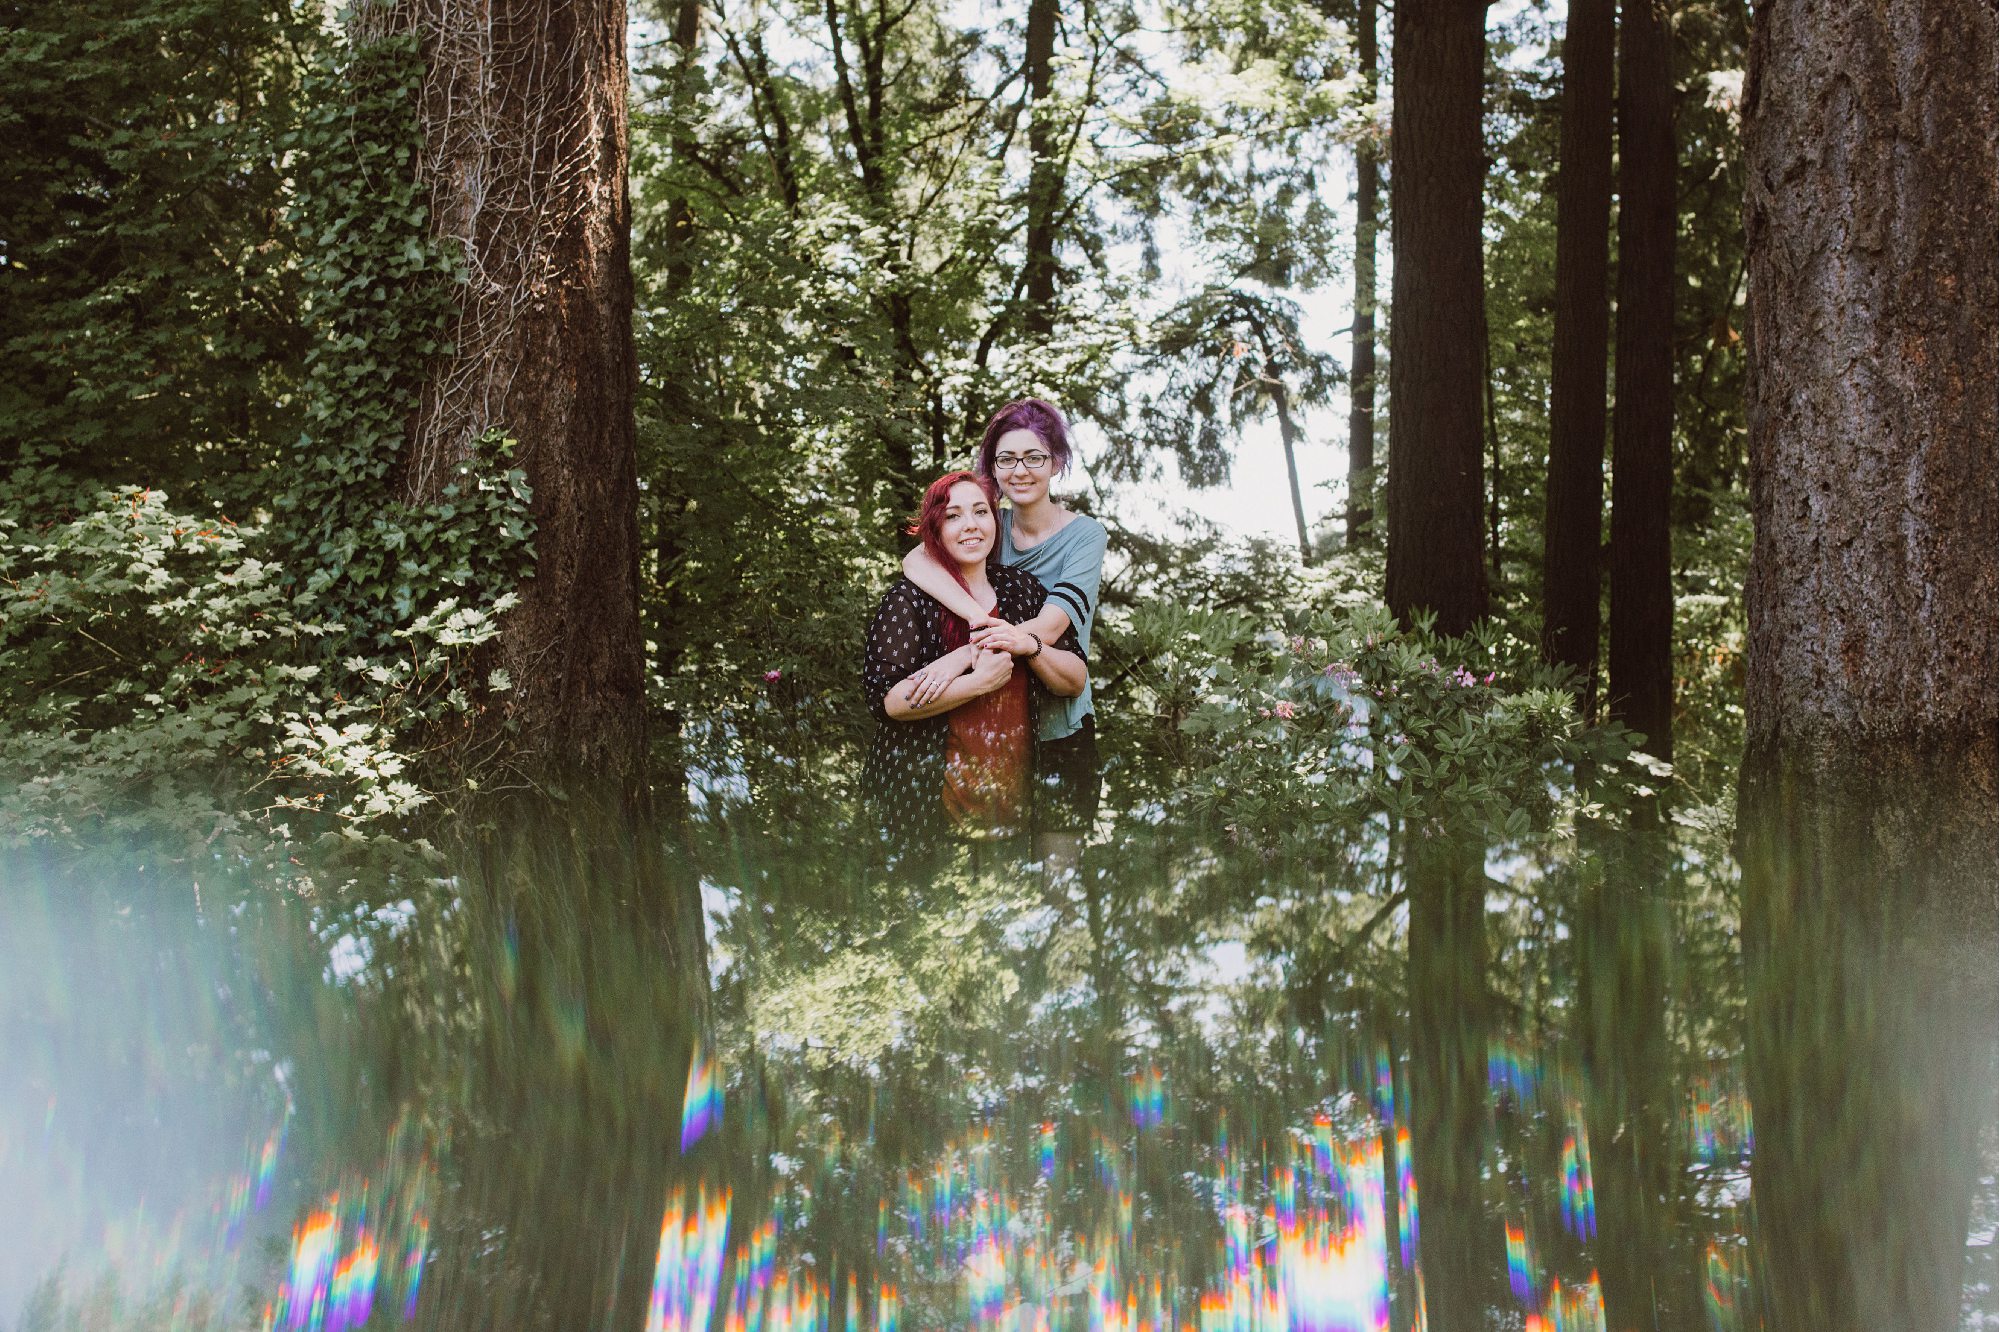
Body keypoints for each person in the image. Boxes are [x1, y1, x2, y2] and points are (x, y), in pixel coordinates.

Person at [897, 399, 1108, 871]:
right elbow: (915, 561)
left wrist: (956, 659)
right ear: (992, 468)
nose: (1021, 470)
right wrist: (977, 624)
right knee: (998, 888)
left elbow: (1050, 627)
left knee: (1059, 882)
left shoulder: (1085, 536)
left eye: (1034, 457)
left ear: (1056, 462)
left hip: (1060, 724)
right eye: (1006, 459)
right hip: (995, 730)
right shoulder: (989, 525)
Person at [861, 470, 1086, 864]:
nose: (970, 525)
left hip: (1014, 813)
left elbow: (1074, 679)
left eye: (981, 512)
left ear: (995, 523)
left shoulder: (1022, 590)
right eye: (953, 515)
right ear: (935, 528)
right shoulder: (908, 600)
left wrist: (1028, 645)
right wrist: (977, 683)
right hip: (924, 813)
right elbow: (889, 701)